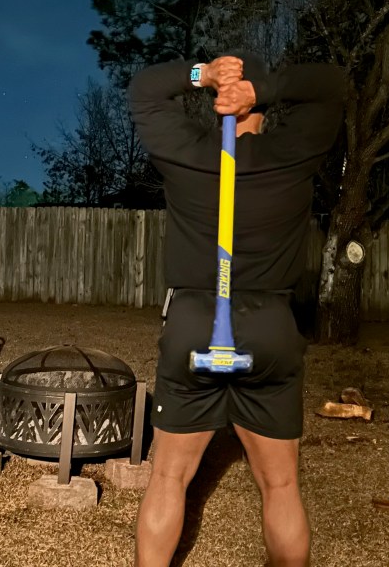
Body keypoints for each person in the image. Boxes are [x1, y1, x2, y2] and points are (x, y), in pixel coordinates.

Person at [128, 52, 345, 567]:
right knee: (281, 482)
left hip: (193, 323)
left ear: (219, 109)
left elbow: (145, 89)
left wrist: (201, 75)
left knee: (168, 476)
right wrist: (263, 87)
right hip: (270, 325)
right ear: (262, 112)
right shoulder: (292, 152)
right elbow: (332, 83)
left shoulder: (187, 151)